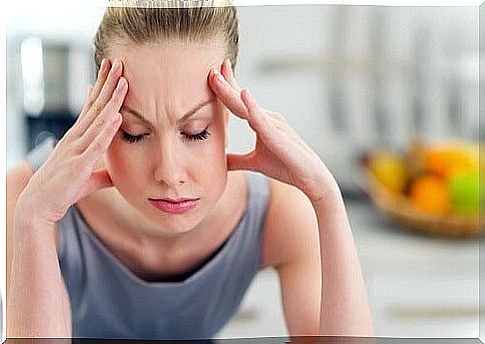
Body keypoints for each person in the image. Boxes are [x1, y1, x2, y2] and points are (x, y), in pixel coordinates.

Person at [6, 2, 374, 340]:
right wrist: (34, 219)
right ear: (96, 112)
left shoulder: (277, 212)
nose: (169, 172)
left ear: (228, 113)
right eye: (134, 133)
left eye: (195, 130)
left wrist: (327, 198)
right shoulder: (31, 198)